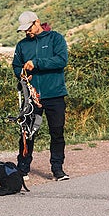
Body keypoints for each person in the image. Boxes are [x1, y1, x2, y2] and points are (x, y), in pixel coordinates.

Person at [12, 10, 69, 180]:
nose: (27, 32)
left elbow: (61, 60)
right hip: (31, 96)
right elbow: (16, 66)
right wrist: (21, 74)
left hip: (55, 94)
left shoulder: (55, 38)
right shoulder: (22, 45)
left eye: (29, 28)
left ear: (37, 22)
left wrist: (36, 64)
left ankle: (57, 169)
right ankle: (22, 169)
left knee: (57, 132)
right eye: (24, 30)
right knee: (27, 132)